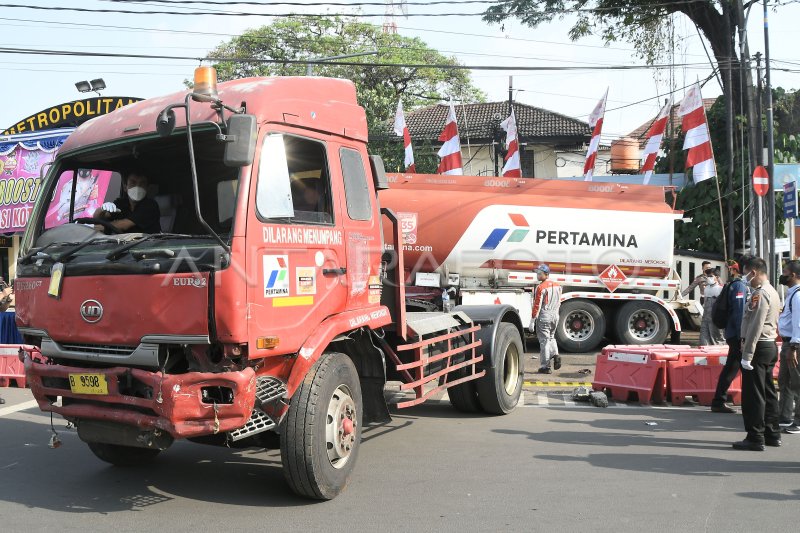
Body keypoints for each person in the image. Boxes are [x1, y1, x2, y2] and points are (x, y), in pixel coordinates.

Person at [733, 257, 781, 451]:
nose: (745, 278)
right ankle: (772, 433)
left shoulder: (760, 294)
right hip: (769, 346)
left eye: (746, 273)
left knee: (754, 395)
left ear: (753, 272)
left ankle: (755, 436)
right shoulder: (773, 291)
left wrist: (747, 354)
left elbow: (756, 324)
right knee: (768, 392)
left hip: (759, 346)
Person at [711, 260, 748, 413]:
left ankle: (718, 401)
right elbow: (739, 313)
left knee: (731, 368)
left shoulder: (732, 285)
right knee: (744, 369)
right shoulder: (738, 286)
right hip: (737, 335)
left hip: (733, 333)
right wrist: (742, 337)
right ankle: (748, 404)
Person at [93, 168, 161, 233]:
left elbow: (124, 225)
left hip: (148, 244)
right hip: (124, 244)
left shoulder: (150, 205)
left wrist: (104, 227)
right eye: (133, 183)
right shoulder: (121, 203)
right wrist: (102, 209)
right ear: (125, 187)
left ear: (146, 188)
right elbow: (97, 217)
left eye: (142, 183)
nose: (137, 187)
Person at [777, 260, 800, 434]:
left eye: (785, 272)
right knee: (784, 381)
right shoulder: (791, 293)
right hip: (787, 343)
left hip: (794, 345)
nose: (782, 275)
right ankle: (784, 416)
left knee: (797, 383)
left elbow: (798, 323)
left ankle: (798, 421)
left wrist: (793, 347)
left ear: (792, 275)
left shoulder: (798, 295)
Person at [532, 264, 561, 374]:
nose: (537, 275)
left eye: (540, 273)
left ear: (546, 275)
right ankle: (556, 354)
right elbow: (559, 302)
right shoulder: (558, 285)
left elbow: (537, 305)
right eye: (537, 273)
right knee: (551, 337)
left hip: (545, 315)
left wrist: (532, 319)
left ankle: (545, 367)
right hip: (555, 315)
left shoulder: (540, 287)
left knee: (544, 341)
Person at [699, 269, 725, 346]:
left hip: (716, 318)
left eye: (710, 276)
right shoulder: (706, 288)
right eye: (707, 276)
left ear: (717, 277)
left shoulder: (721, 289)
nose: (708, 278)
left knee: (717, 339)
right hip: (706, 318)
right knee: (704, 338)